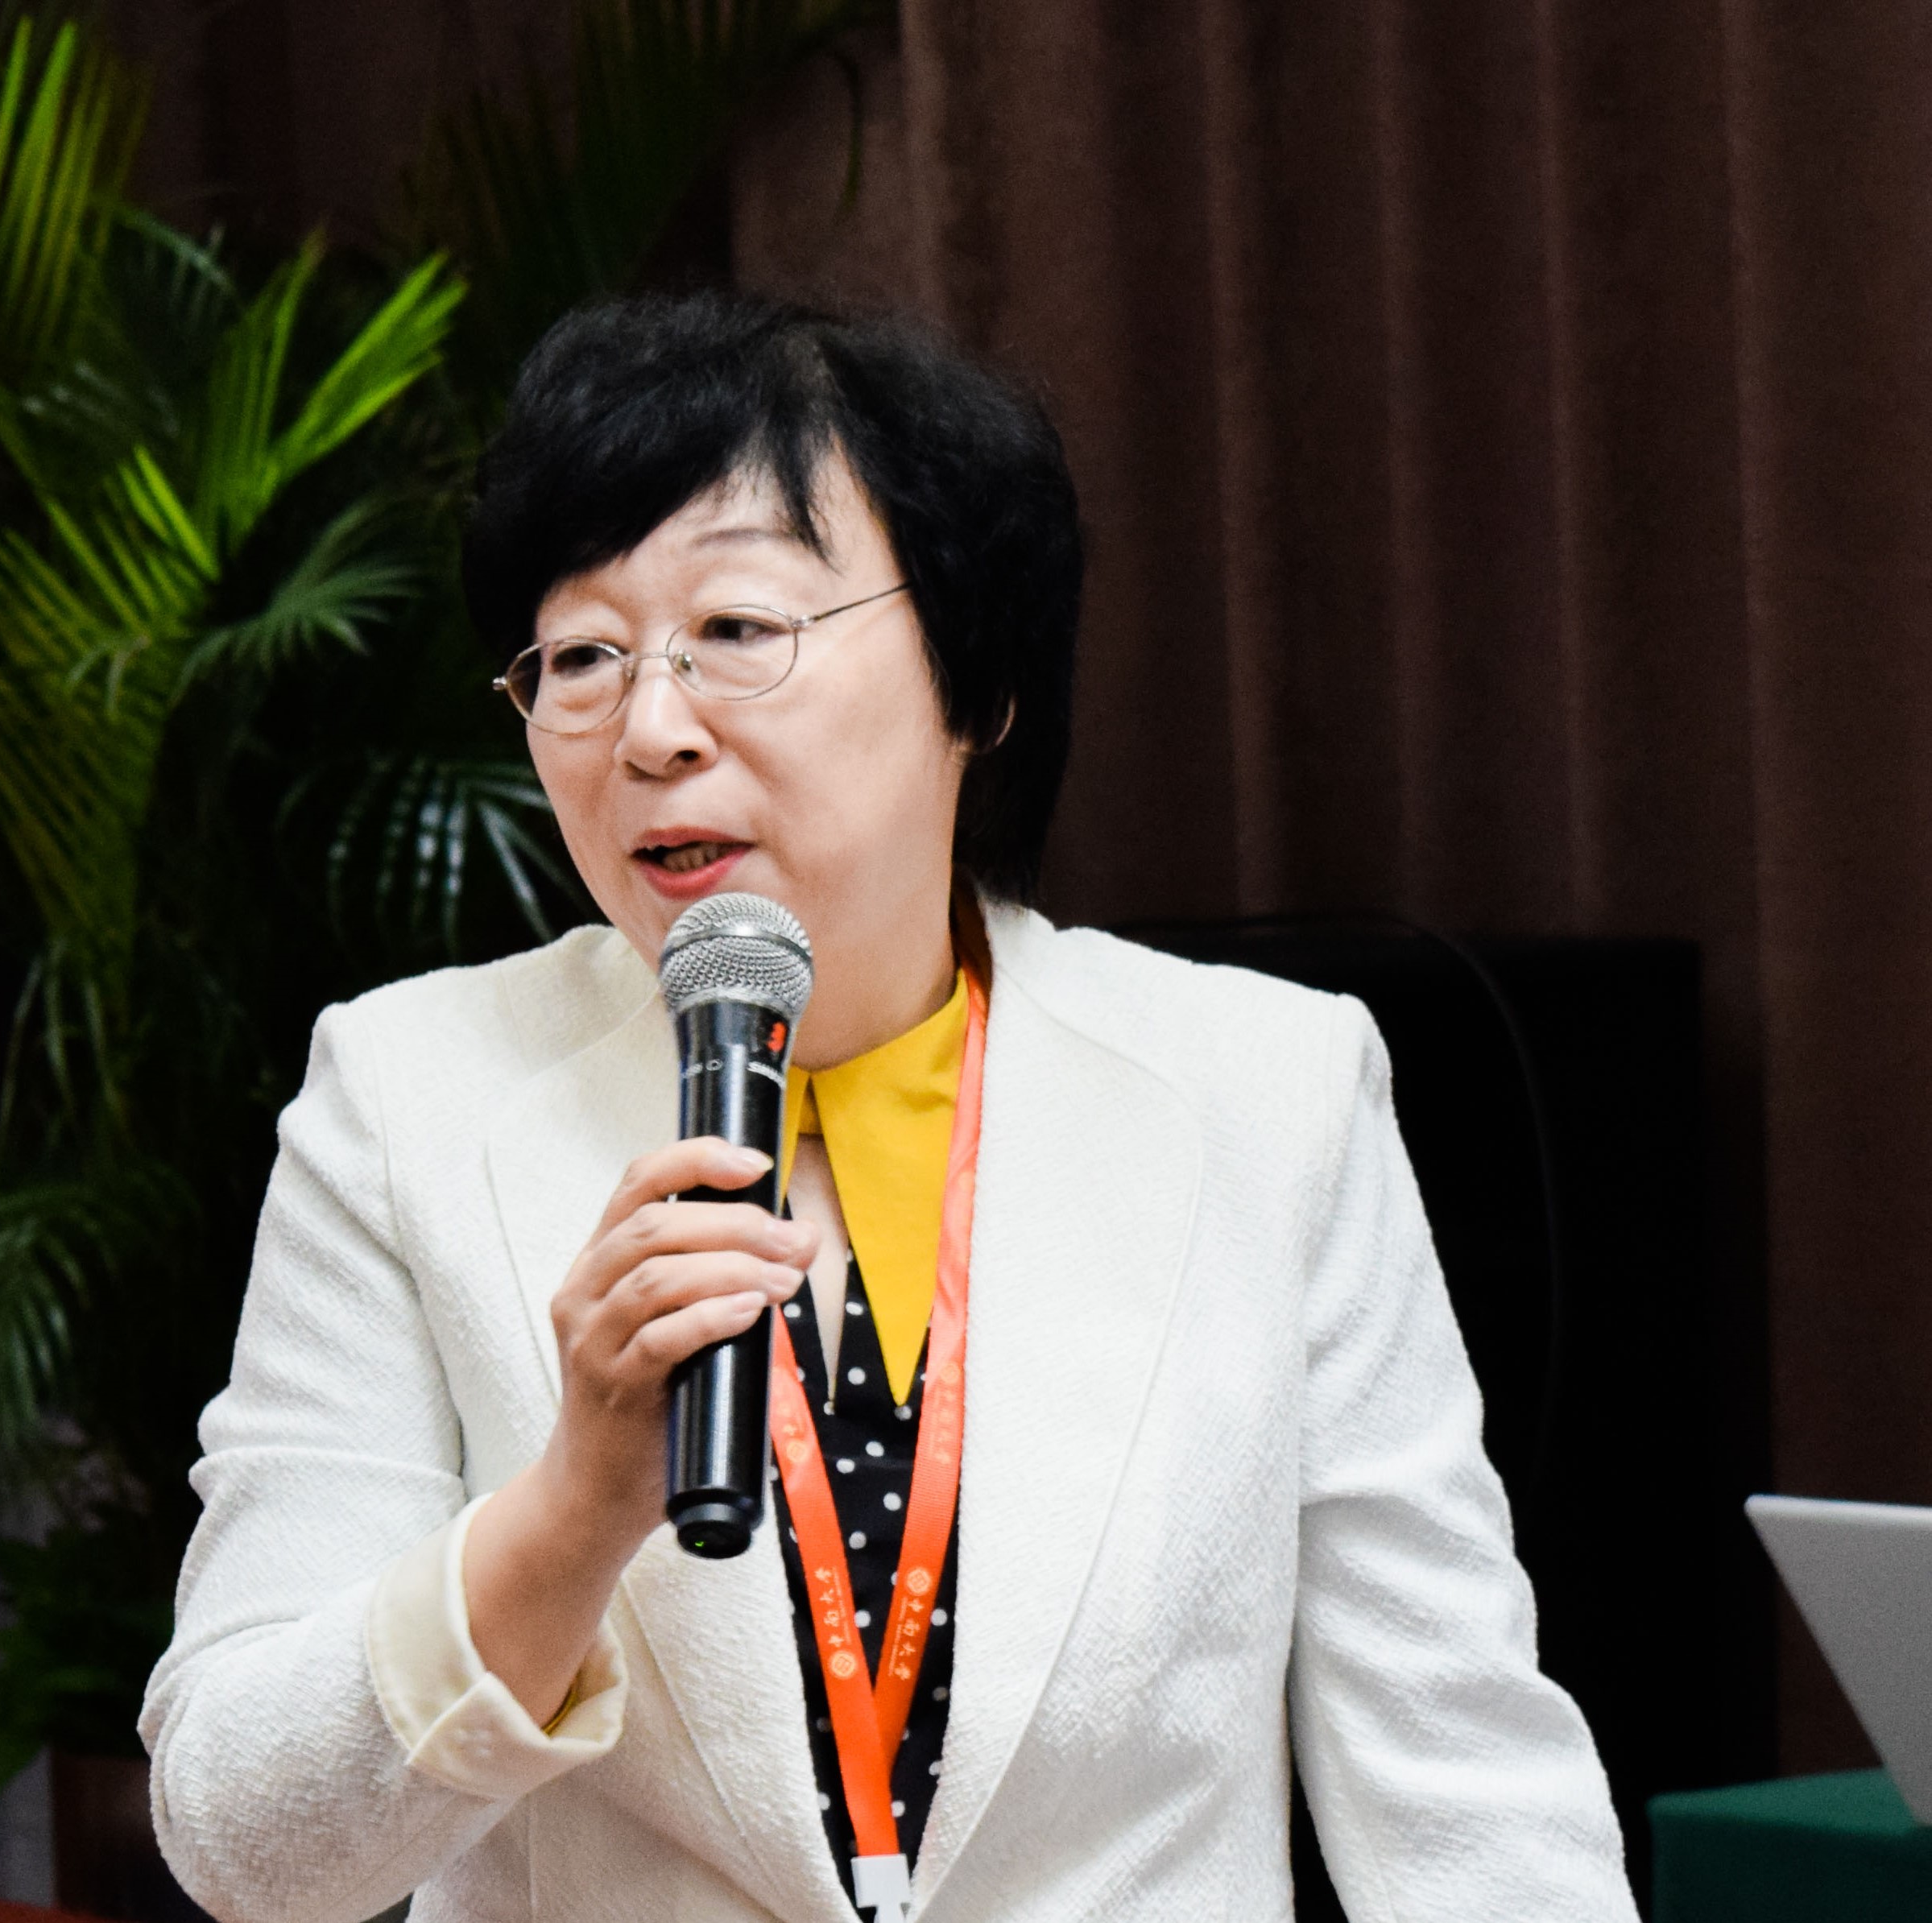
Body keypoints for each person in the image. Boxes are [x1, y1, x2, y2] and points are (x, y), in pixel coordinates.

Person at [141, 294, 1639, 1923]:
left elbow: (1464, 1798)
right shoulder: (406, 1100)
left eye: (737, 630)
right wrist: (569, 1514)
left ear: (972, 682)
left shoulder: (1267, 1097)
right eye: (579, 658)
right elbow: (242, 1845)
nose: (651, 729)